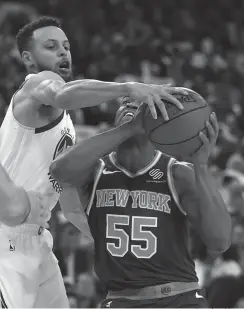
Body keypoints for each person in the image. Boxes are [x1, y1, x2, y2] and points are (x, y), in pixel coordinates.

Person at [0, 15, 188, 308]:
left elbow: (70, 205)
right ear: (28, 59)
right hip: (5, 239)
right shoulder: (36, 85)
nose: (63, 52)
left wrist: (117, 250)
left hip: (38, 241)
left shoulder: (66, 125)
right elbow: (62, 95)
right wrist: (128, 87)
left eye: (66, 46)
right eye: (51, 47)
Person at [50, 97, 232, 308]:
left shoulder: (177, 173)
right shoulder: (94, 171)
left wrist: (200, 166)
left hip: (178, 298)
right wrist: (128, 129)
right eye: (127, 102)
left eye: (143, 106)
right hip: (120, 299)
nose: (133, 106)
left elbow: (220, 241)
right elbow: (58, 171)